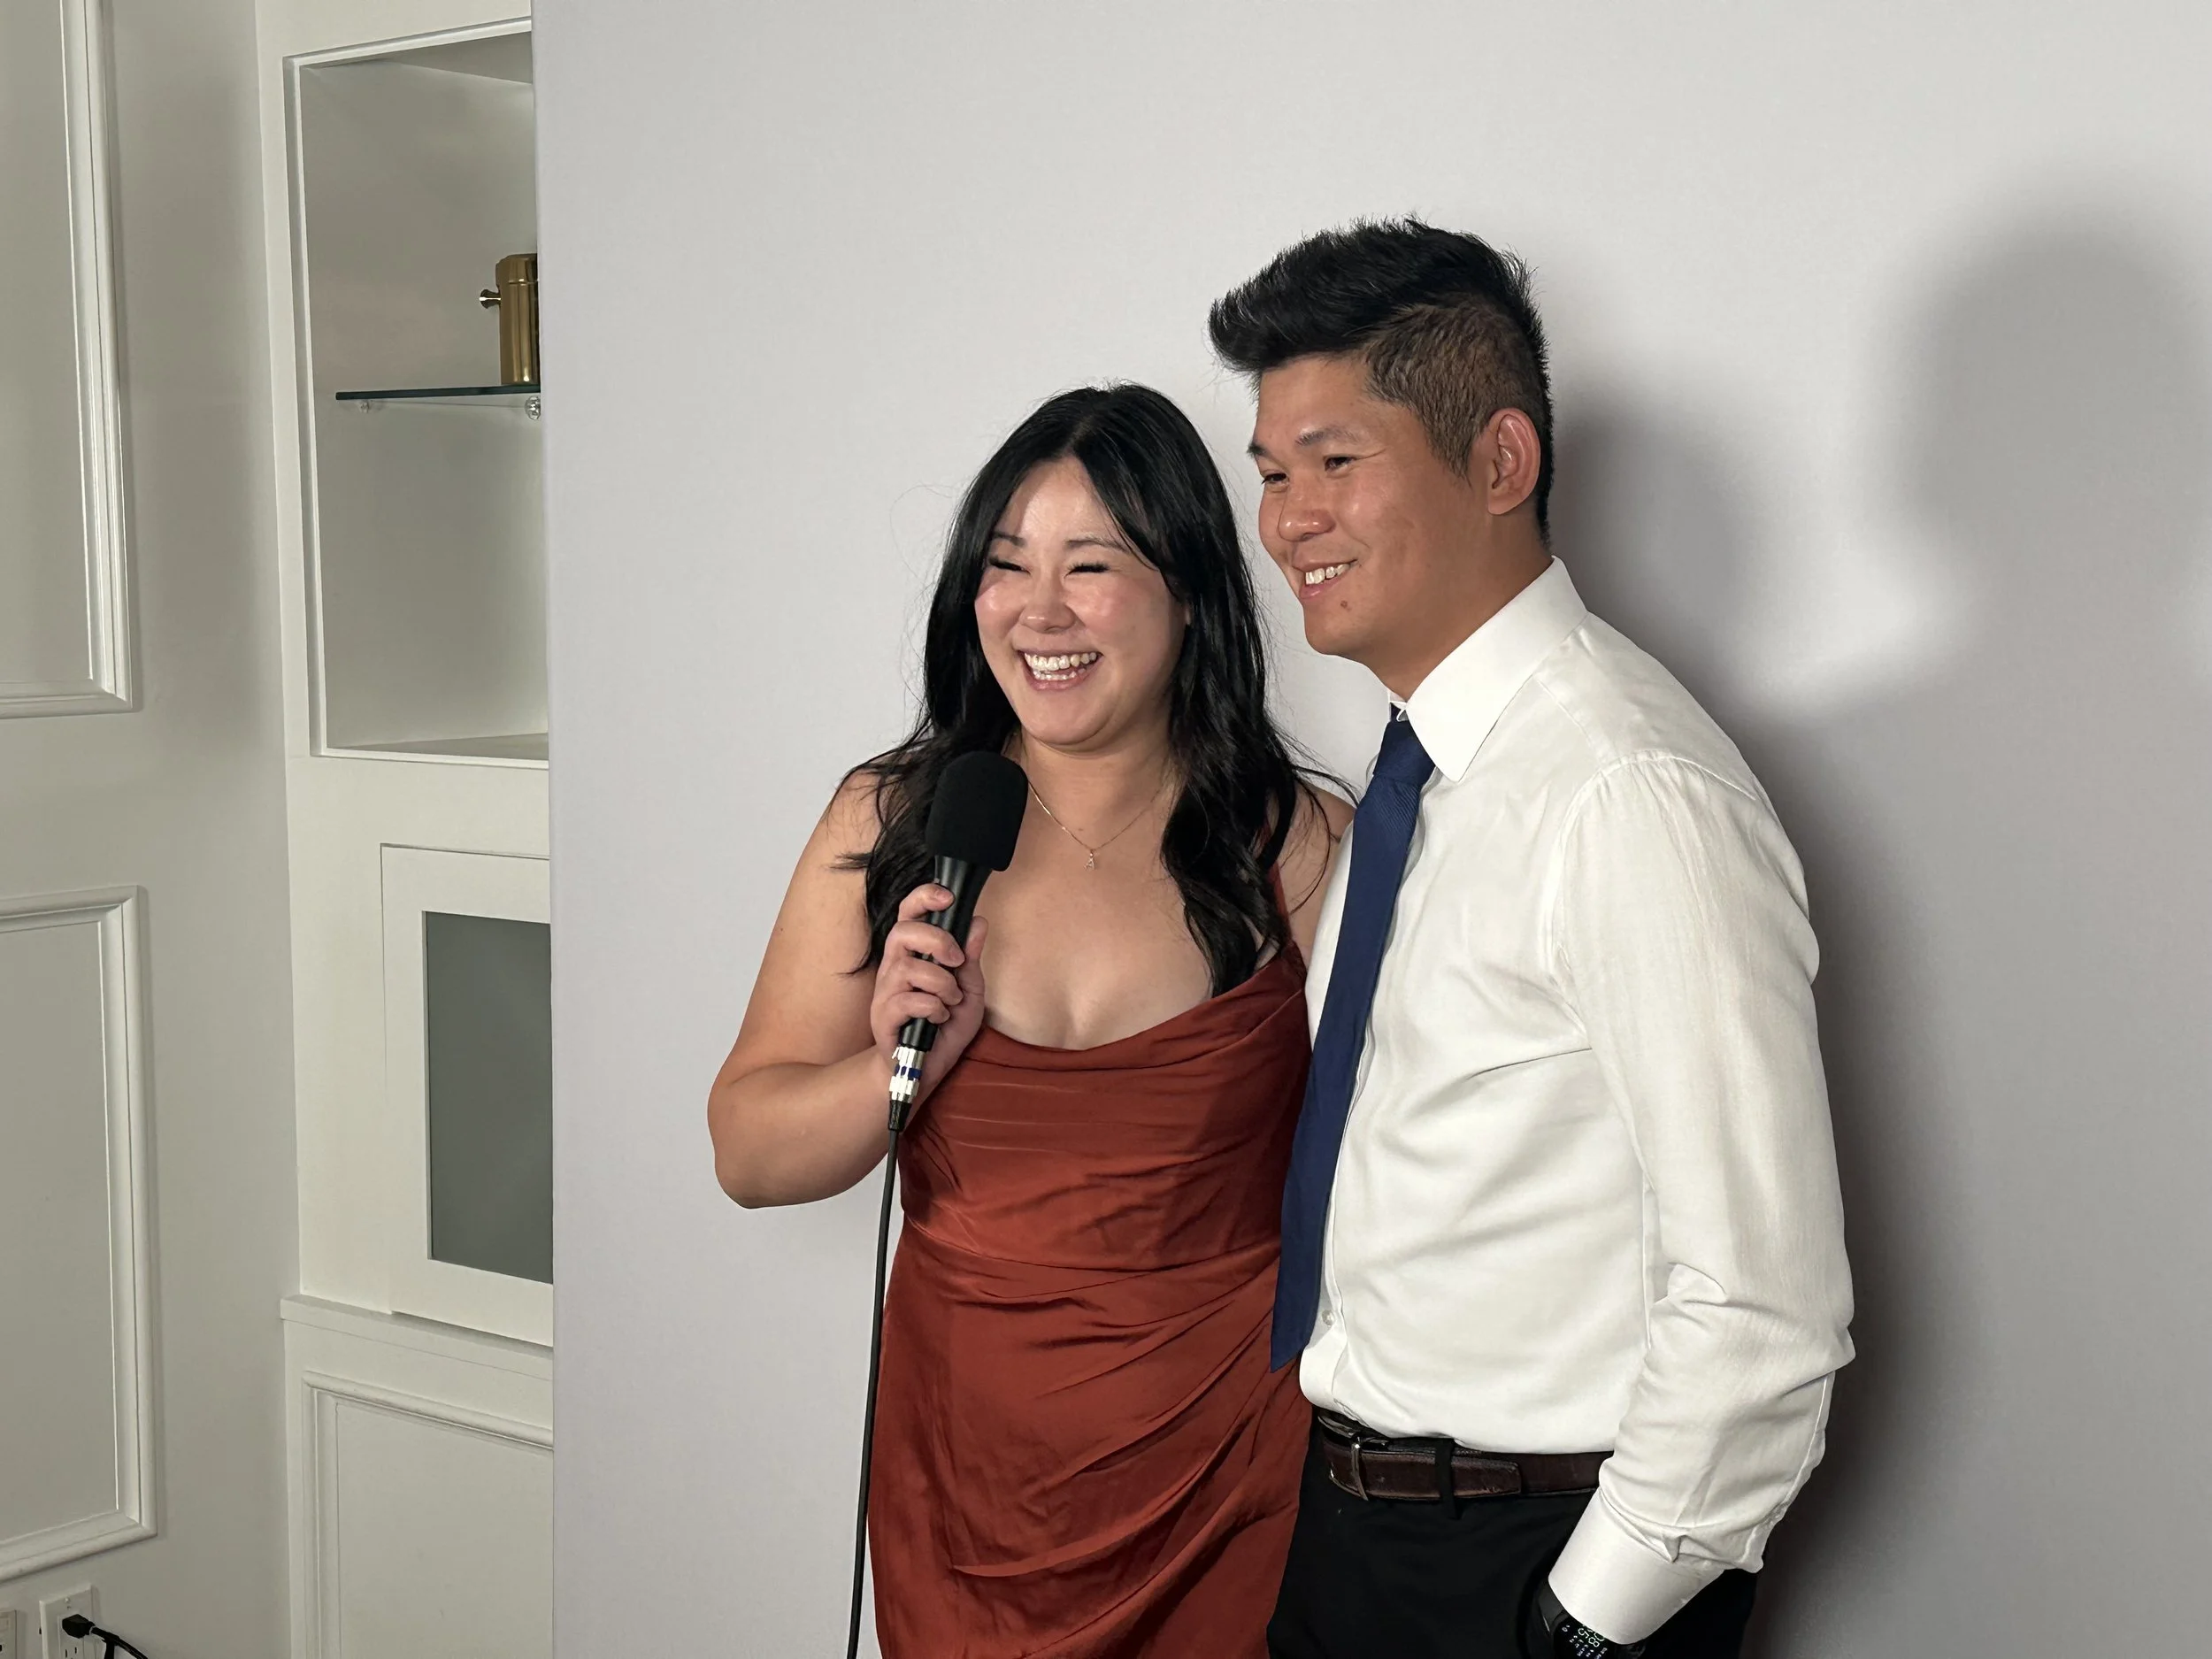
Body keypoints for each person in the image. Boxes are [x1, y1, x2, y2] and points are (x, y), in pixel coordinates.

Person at [1207, 221, 1855, 1659]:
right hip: (1353, 1529)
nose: (1286, 519)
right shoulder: (1418, 774)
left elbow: (1763, 1302)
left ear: (1500, 463)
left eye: (1332, 462)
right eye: (1268, 473)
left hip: (1527, 1564)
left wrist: (1583, 1624)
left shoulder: (1629, 792)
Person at [708, 383, 1353, 1657]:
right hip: (968, 1490)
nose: (1037, 612)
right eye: (1005, 569)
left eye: (1090, 566)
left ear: (1189, 590)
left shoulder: (1300, 844)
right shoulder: (890, 822)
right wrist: (893, 1066)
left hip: (1233, 1482)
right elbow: (747, 1150)